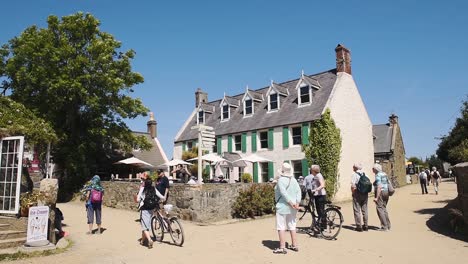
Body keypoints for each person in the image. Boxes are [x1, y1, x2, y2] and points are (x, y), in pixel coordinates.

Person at [273, 163, 301, 254]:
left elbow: (283, 193)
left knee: (281, 226)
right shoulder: (294, 180)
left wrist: (290, 203)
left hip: (282, 206)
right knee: (292, 225)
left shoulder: (281, 180)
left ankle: (282, 247)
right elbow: (298, 192)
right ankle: (294, 245)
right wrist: (296, 203)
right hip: (293, 207)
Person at [137, 179, 165, 249]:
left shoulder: (143, 189)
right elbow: (161, 196)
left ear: (145, 183)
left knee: (144, 226)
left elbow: (137, 199)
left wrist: (139, 199)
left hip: (144, 209)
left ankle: (149, 240)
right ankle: (143, 241)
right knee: (146, 225)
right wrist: (163, 199)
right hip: (152, 208)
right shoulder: (153, 188)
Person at [350, 163, 369, 232]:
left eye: (353, 167)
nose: (352, 168)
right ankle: (366, 226)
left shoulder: (354, 175)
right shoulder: (364, 174)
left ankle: (359, 226)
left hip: (357, 193)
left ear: (355, 168)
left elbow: (353, 185)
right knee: (365, 210)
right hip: (365, 193)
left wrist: (353, 193)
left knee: (357, 210)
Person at [372, 164, 391, 231]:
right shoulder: (384, 174)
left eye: (373, 168)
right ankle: (388, 225)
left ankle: (384, 227)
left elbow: (379, 186)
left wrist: (376, 197)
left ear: (376, 169)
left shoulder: (378, 175)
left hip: (381, 192)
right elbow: (387, 182)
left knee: (379, 208)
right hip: (386, 192)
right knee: (384, 208)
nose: (372, 169)